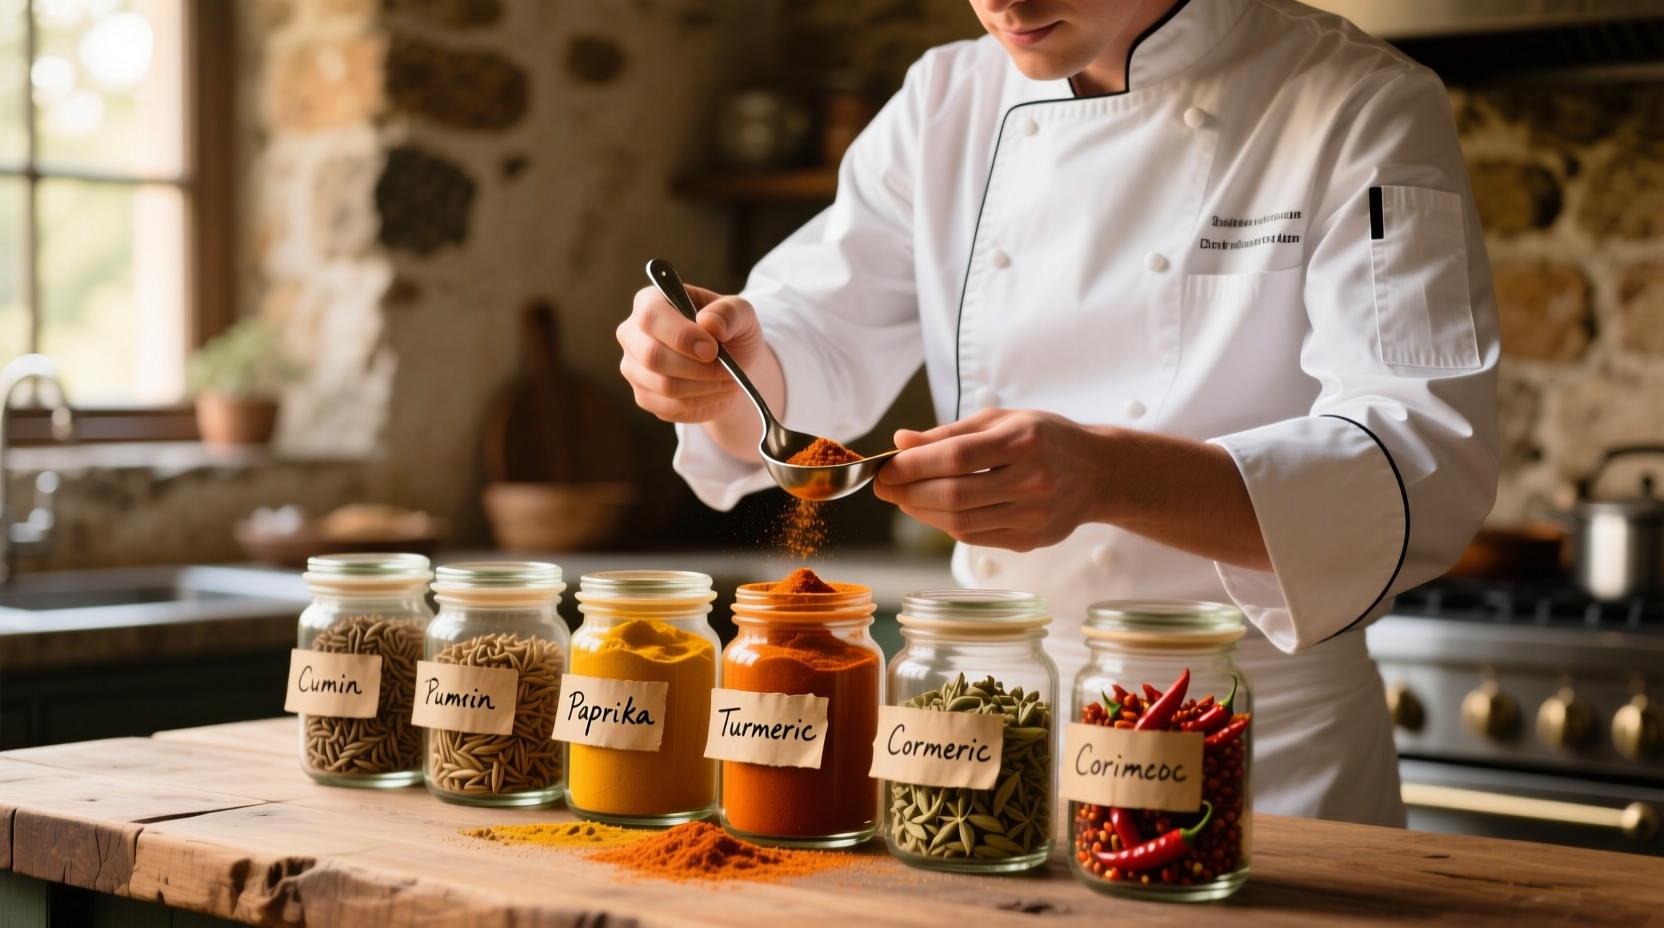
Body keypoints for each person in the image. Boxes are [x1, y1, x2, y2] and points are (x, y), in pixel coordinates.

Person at [616, 0, 1498, 826]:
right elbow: (812, 338)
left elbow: (1421, 457)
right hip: (988, 723)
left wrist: (1114, 478)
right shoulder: (946, 100)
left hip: (1255, 742)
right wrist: (726, 372)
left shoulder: (1357, 102)